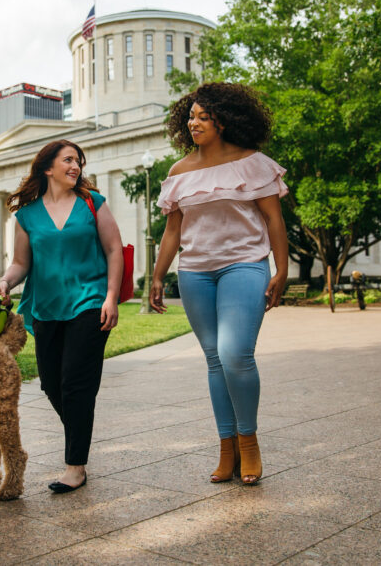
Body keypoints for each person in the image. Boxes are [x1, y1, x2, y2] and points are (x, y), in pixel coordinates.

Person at [150, 82, 290, 486]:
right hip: (195, 272)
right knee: (214, 358)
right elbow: (173, 230)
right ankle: (226, 447)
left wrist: (281, 270)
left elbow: (273, 220)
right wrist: (158, 275)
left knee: (235, 353)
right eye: (191, 116)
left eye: (203, 116)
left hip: (244, 265)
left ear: (224, 121)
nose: (194, 122)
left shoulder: (253, 163)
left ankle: (249, 442)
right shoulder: (179, 172)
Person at [0, 139, 124, 493]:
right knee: (52, 384)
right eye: (68, 160)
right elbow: (21, 262)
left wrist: (111, 297)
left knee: (75, 383)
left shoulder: (91, 203)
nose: (76, 167)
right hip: (47, 306)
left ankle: (75, 466)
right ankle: (79, 437)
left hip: (90, 300)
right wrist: (7, 282)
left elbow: (114, 249)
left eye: (79, 161)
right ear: (47, 168)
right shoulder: (27, 215)